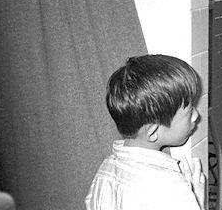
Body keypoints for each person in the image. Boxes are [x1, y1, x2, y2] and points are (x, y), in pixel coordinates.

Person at [85, 54, 205, 210]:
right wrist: (198, 202)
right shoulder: (169, 189)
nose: (196, 116)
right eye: (189, 111)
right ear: (153, 132)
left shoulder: (105, 171)